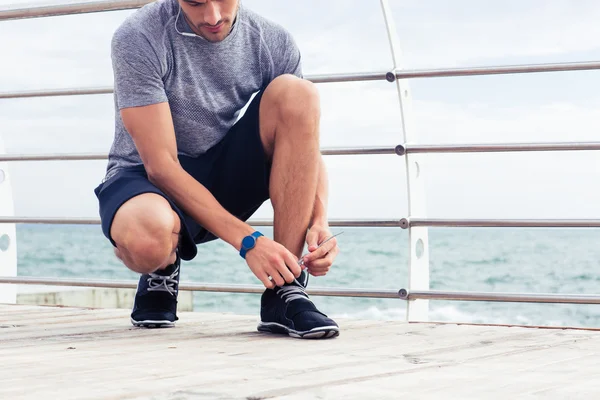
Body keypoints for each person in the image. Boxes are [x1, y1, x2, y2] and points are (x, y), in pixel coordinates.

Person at [93, 0, 341, 339]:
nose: (212, 17)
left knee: (298, 93)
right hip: (148, 176)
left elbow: (303, 141)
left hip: (222, 174)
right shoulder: (139, 35)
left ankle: (286, 287)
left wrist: (319, 220)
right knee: (145, 238)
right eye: (195, 2)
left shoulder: (272, 41)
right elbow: (161, 166)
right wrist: (250, 241)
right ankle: (163, 262)